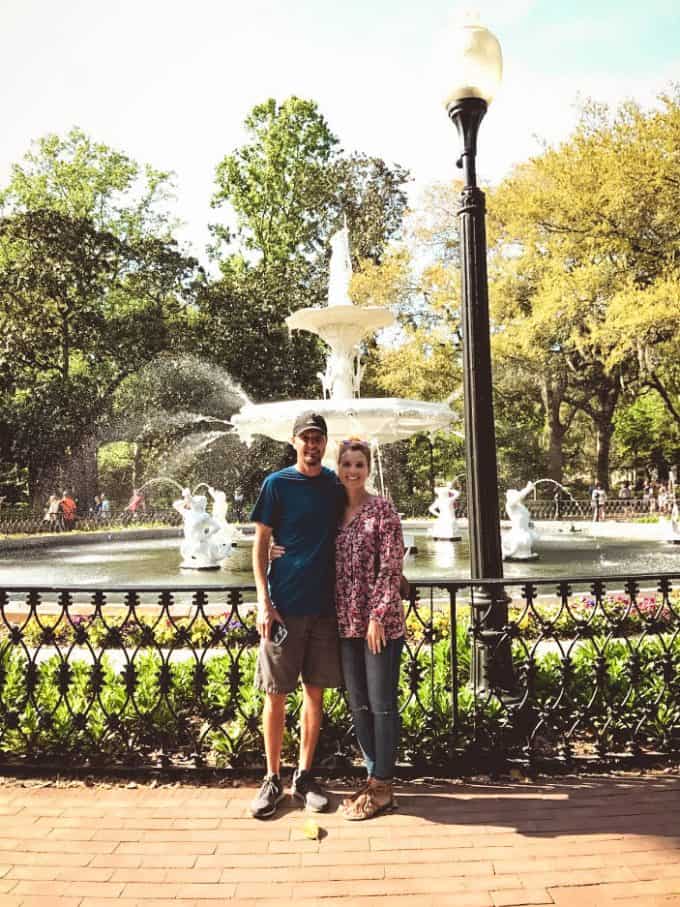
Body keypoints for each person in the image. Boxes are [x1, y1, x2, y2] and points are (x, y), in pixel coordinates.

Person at [249, 412, 345, 820]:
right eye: (305, 438)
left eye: (318, 439)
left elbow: (355, 529)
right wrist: (263, 600)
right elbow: (260, 545)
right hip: (283, 610)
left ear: (325, 444)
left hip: (324, 609)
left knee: (315, 695)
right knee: (275, 696)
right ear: (294, 442)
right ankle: (271, 778)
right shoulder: (277, 484)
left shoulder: (335, 486)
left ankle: (304, 776)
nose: (312, 445)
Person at [334, 438, 406, 821]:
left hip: (380, 624)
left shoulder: (382, 510)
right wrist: (277, 549)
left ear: (368, 468)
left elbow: (390, 567)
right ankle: (373, 777)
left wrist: (377, 615)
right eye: (346, 463)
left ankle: (383, 786)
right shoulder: (333, 512)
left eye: (358, 464)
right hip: (346, 623)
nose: (352, 470)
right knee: (358, 704)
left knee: (381, 706)